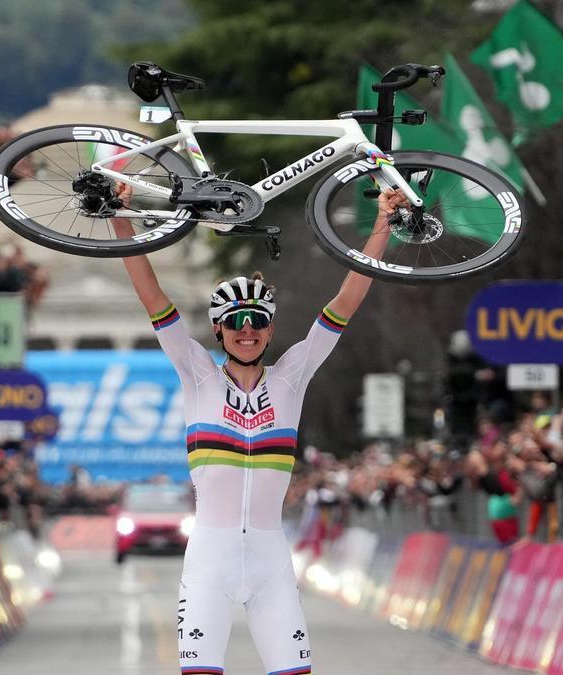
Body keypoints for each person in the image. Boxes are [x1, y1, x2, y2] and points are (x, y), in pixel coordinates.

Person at [113, 182, 397, 675]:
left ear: (270, 329)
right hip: (209, 563)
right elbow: (152, 295)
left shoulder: (292, 374)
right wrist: (121, 219)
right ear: (219, 330)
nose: (248, 329)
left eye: (258, 321)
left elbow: (345, 301)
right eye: (236, 321)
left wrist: (381, 227)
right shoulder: (197, 372)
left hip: (270, 563)